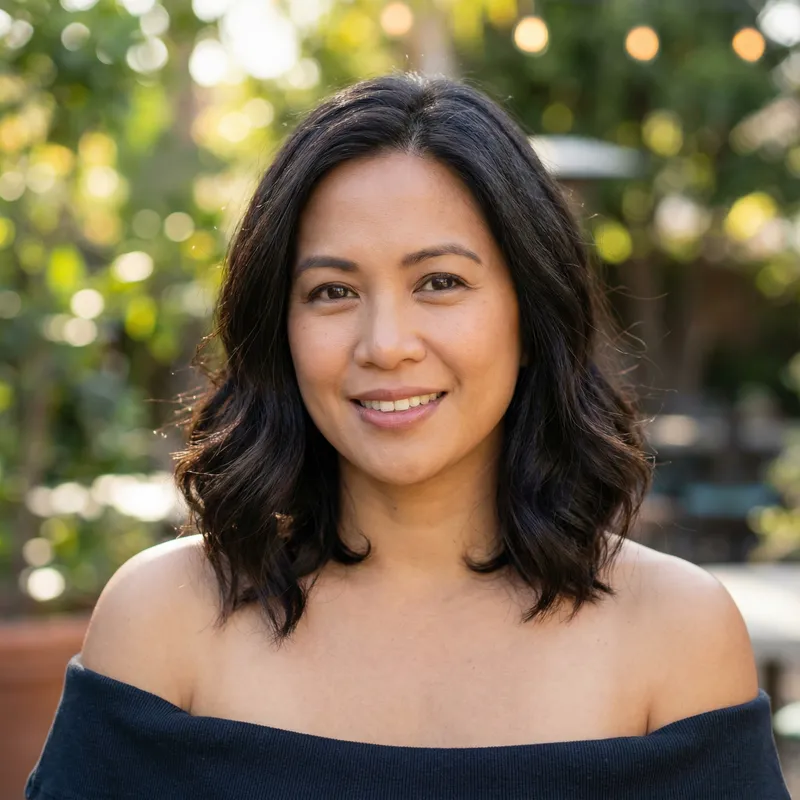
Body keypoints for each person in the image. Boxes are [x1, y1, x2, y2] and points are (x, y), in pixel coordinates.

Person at [27, 73, 790, 799]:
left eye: (440, 282)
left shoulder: (676, 636)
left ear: (531, 314)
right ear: (278, 329)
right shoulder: (164, 623)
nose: (385, 343)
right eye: (333, 291)